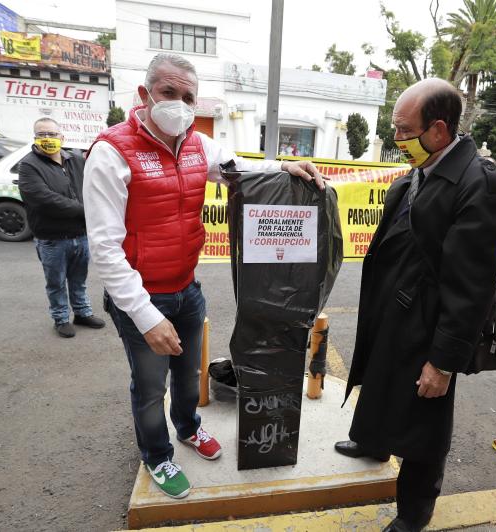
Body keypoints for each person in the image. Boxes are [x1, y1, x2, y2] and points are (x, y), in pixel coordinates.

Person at [83, 53, 325, 499]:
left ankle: (189, 428)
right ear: (144, 95)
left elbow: (239, 171)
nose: (179, 104)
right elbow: (104, 248)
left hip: (187, 289)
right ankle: (157, 455)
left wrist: (285, 167)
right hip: (143, 296)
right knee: (150, 384)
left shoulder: (198, 144)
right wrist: (145, 316)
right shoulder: (111, 152)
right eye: (169, 93)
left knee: (188, 372)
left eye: (188, 97)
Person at [334, 78, 496, 532]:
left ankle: (415, 514)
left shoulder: (478, 182)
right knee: (379, 381)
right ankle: (373, 442)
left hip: (430, 324)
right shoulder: (425, 167)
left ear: (437, 130)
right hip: (394, 309)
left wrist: (444, 361)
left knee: (424, 421)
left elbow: (472, 284)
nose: (396, 139)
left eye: (402, 129)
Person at [18, 118, 105, 338]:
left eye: (52, 134)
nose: (48, 139)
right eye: (42, 135)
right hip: (52, 238)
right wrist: (87, 211)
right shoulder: (28, 165)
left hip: (80, 235)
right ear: (35, 138)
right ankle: (61, 318)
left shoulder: (76, 160)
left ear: (62, 137)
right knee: (56, 282)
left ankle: (82, 313)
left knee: (79, 280)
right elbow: (44, 199)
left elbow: (94, 187)